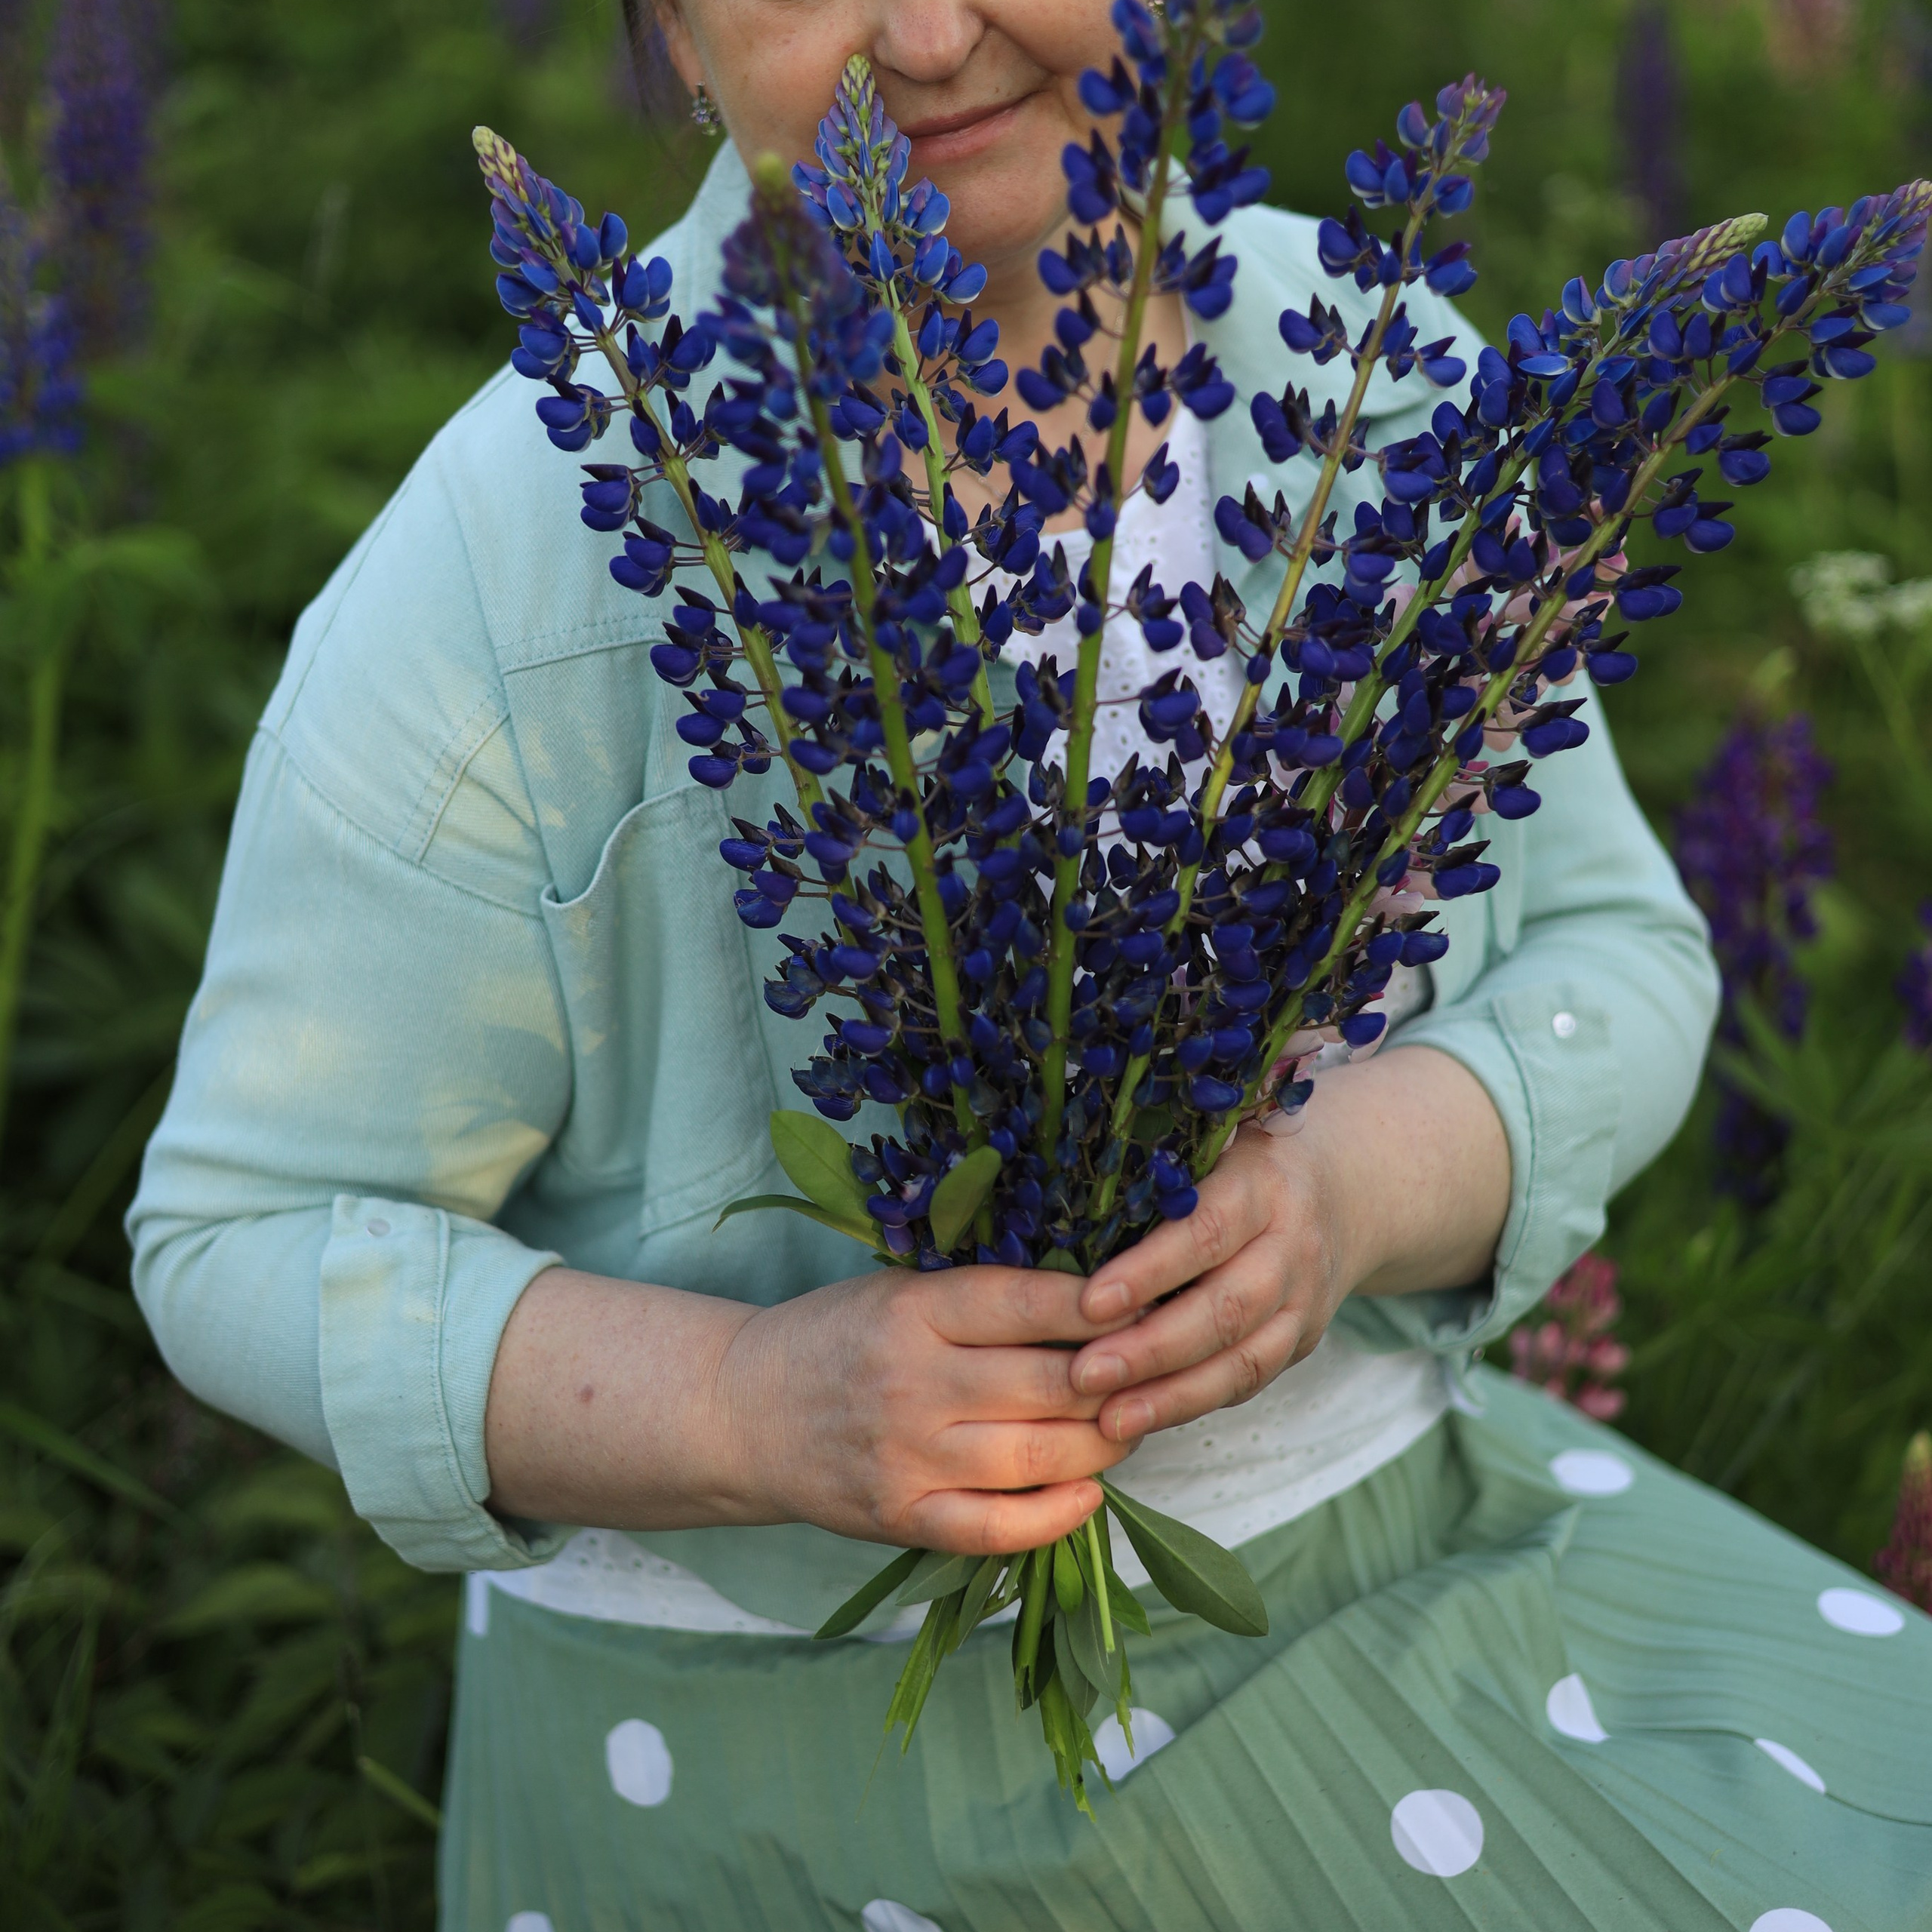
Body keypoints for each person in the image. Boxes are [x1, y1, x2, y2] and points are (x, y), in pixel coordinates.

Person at [128, 3, 1932, 1927]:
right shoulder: (520, 535)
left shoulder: (1363, 374)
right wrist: (742, 1398)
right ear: (669, 28)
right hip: (778, 1729)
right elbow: (239, 1234)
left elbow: (1615, 950)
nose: (926, 33)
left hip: (1393, 1554)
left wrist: (1349, 1188)